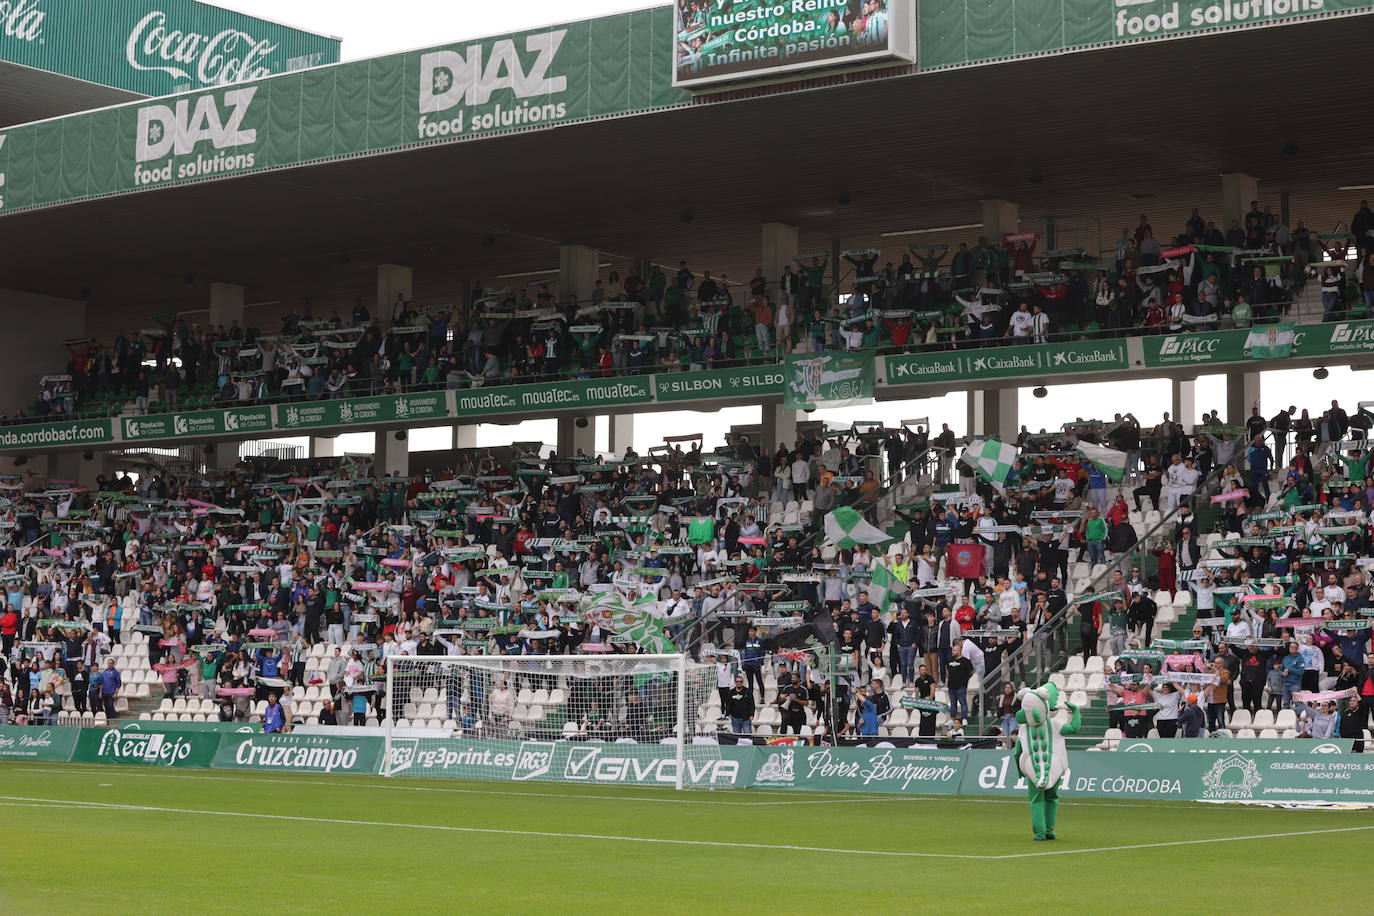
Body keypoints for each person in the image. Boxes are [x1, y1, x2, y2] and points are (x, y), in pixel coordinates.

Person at [1014, 682, 1080, 841]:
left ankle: (1039, 832)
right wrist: (1076, 711)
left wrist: (1019, 769)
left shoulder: (1023, 729)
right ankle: (1050, 830)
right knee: (1052, 798)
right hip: (1054, 768)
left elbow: (1017, 752)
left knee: (1037, 800)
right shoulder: (1055, 724)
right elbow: (1074, 728)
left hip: (1032, 768)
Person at [945, 641, 972, 720]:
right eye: (952, 650)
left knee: (963, 703)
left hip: (961, 686)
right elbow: (948, 671)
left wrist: (965, 681)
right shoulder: (949, 660)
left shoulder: (965, 661)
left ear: (959, 651)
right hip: (951, 686)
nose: (952, 652)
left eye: (954, 650)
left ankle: (964, 719)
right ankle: (952, 718)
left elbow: (971, 672)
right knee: (953, 704)